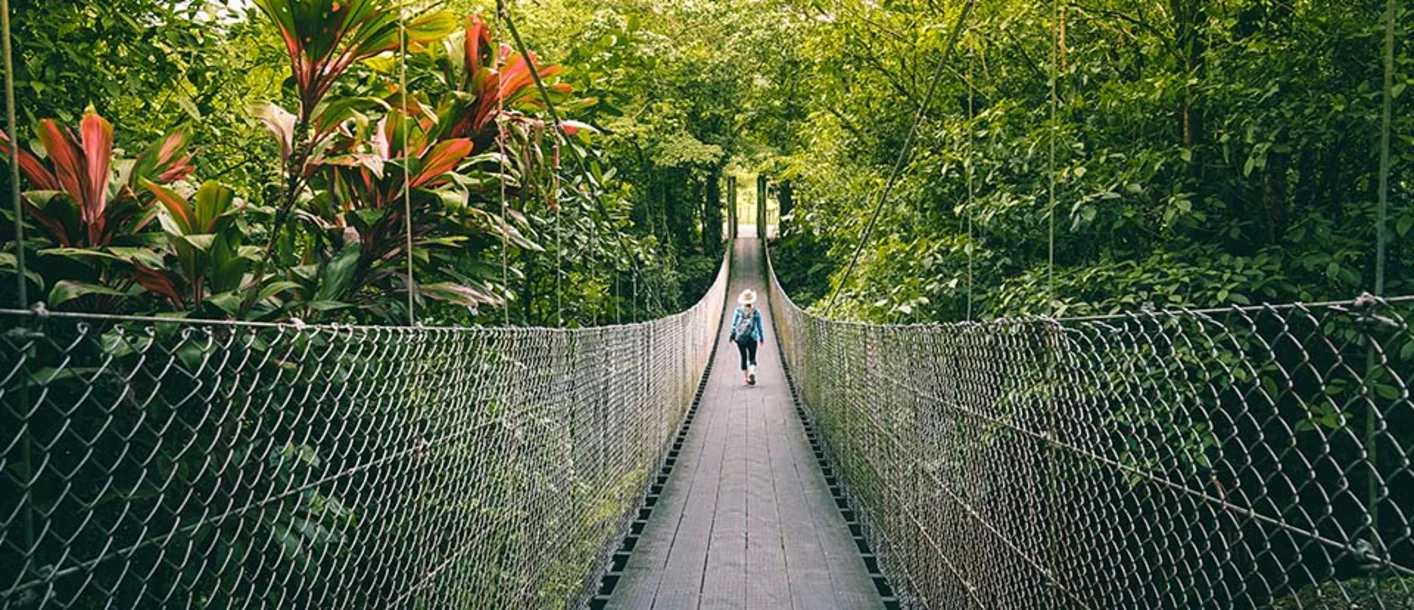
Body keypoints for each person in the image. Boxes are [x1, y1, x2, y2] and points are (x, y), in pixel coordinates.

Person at [729, 288, 764, 385]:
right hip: (752, 337)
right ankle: (752, 372)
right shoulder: (756, 311)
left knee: (743, 357)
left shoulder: (738, 311)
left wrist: (731, 336)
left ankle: (745, 379)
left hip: (740, 338)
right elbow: (759, 326)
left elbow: (734, 325)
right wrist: (761, 337)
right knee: (752, 357)